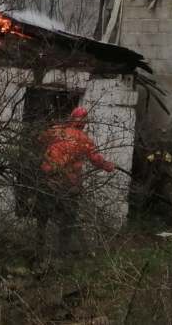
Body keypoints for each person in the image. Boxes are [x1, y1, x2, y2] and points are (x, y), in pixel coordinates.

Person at [34, 107, 114, 252]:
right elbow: (95, 159)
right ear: (84, 123)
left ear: (70, 118)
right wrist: (109, 167)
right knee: (68, 217)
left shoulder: (55, 130)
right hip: (68, 183)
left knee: (42, 214)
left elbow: (39, 142)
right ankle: (63, 249)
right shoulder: (83, 139)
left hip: (47, 178)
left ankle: (39, 245)